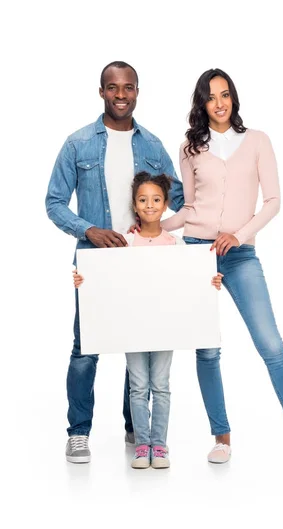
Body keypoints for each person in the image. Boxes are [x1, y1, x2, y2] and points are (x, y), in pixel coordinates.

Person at [161, 68, 283, 467]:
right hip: (197, 251)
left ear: (234, 98)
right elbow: (189, 208)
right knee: (208, 350)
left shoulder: (258, 141)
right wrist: (155, 226)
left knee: (272, 346)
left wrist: (238, 236)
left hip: (240, 254)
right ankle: (221, 437)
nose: (220, 103)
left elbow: (273, 201)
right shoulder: (190, 148)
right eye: (211, 97)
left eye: (225, 94)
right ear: (201, 103)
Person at [45, 61, 184, 464]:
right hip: (95, 261)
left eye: (128, 88)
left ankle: (136, 429)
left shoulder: (153, 145)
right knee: (86, 348)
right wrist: (88, 230)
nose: (120, 95)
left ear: (137, 91)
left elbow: (174, 200)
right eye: (112, 87)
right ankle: (78, 432)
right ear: (101, 91)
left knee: (137, 340)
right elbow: (54, 202)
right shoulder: (78, 143)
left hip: (144, 260)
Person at [73, 171, 223, 468]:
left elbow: (189, 281)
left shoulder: (176, 245)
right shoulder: (125, 242)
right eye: (143, 200)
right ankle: (142, 445)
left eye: (156, 199)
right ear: (135, 204)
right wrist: (85, 281)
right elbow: (108, 280)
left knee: (161, 385)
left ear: (166, 203)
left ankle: (160, 445)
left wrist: (210, 280)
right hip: (133, 327)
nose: (150, 205)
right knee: (139, 386)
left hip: (165, 327)